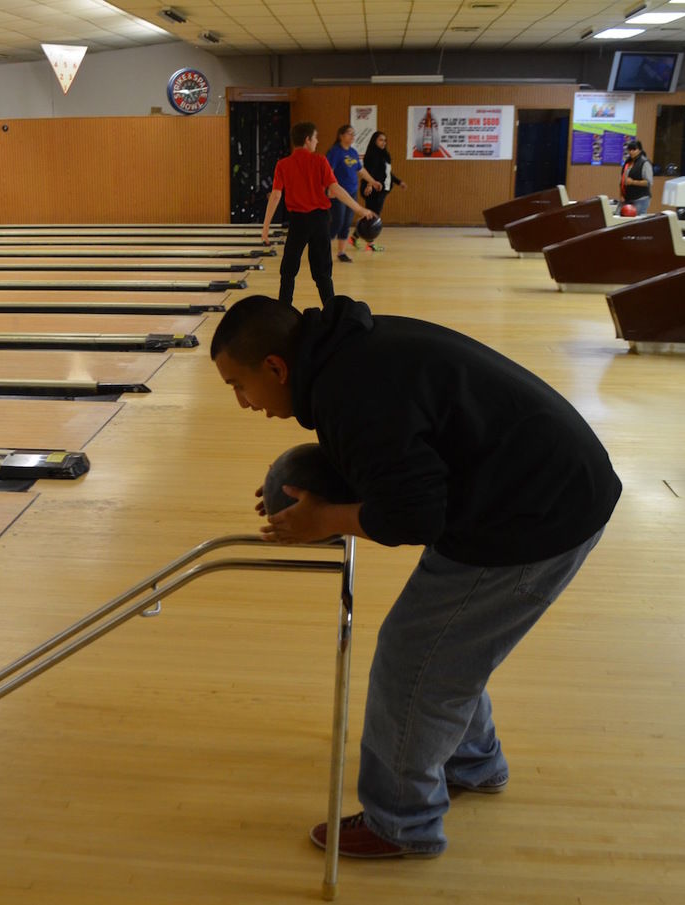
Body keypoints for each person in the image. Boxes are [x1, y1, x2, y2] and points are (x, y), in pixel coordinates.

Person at [210, 294, 621, 860]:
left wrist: (324, 519)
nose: (240, 401)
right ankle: (472, 762)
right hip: (524, 483)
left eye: (238, 384)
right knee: (447, 650)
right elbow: (400, 458)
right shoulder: (341, 354)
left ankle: (403, 822)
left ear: (276, 368)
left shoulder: (351, 394)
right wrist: (306, 493)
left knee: (414, 661)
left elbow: (414, 516)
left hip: (533, 513)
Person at [263, 123, 375, 308]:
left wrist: (266, 228)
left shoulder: (283, 164)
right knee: (322, 272)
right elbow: (335, 189)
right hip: (320, 221)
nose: (317, 141)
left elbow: (276, 196)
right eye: (315, 138)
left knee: (288, 270)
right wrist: (359, 209)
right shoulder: (320, 161)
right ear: (307, 140)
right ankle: (330, 312)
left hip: (298, 222)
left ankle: (283, 312)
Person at [326, 124, 382, 263]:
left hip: (352, 192)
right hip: (338, 194)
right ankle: (322, 250)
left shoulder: (353, 152)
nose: (352, 136)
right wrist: (330, 189)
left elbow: (360, 170)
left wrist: (373, 182)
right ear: (341, 136)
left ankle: (341, 253)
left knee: (346, 223)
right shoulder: (335, 152)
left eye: (353, 134)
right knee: (337, 222)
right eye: (349, 133)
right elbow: (328, 172)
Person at [357, 130, 408, 252]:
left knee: (370, 216)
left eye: (385, 140)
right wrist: (369, 185)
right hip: (373, 189)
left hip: (383, 189)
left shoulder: (385, 155)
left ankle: (354, 238)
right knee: (373, 217)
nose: (383, 142)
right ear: (374, 141)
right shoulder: (372, 155)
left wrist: (399, 182)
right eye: (380, 140)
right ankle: (370, 244)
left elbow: (387, 173)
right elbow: (370, 172)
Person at [619, 140, 653, 216]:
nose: (631, 152)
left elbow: (648, 182)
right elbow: (622, 180)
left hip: (640, 198)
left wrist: (633, 182)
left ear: (640, 150)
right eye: (630, 150)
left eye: (634, 149)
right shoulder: (627, 162)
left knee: (637, 221)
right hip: (627, 197)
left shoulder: (645, 162)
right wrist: (621, 195)